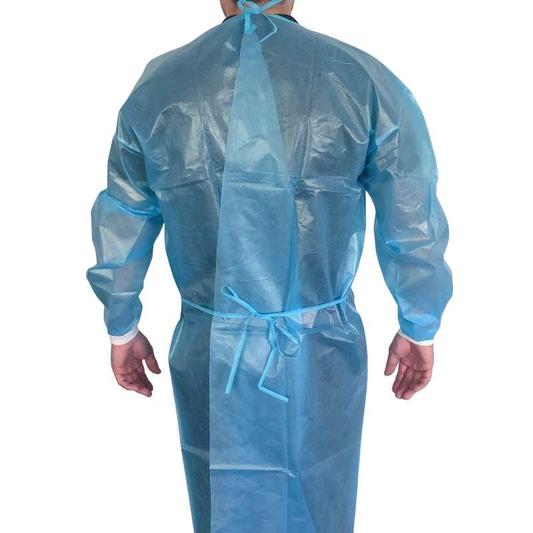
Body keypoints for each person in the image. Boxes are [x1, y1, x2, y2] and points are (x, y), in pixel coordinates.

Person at [87, 0, 453, 531]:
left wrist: (122, 326)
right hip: (321, 349)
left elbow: (125, 213)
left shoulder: (161, 88)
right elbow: (411, 213)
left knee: (224, 502)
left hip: (213, 350)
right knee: (318, 498)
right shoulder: (359, 79)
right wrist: (419, 323)